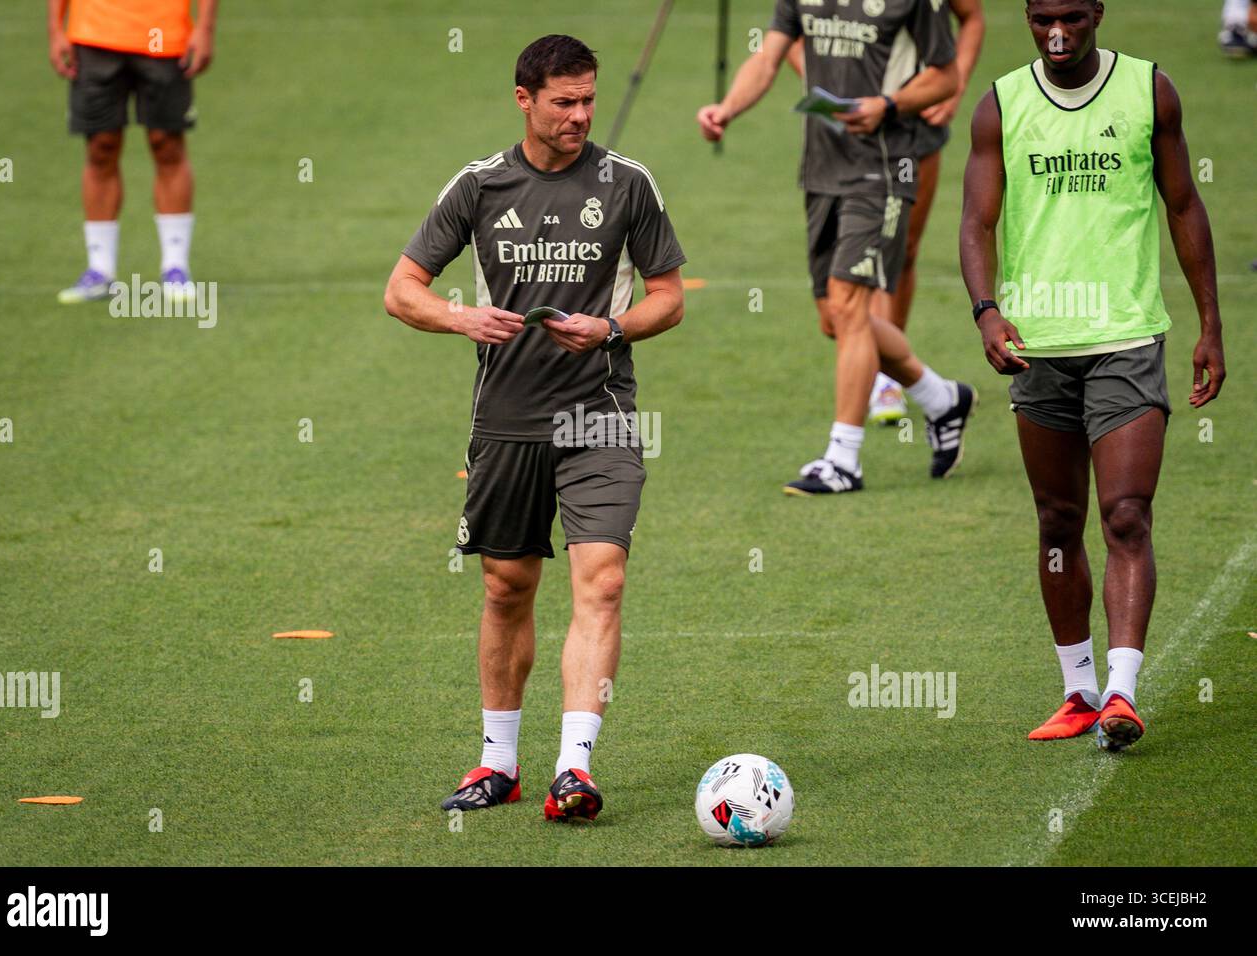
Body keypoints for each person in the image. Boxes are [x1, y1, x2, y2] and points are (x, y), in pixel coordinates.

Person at [384, 35, 685, 820]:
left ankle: (574, 769)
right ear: (524, 98)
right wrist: (459, 317)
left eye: (589, 99)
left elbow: (669, 297)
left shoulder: (628, 185)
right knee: (507, 586)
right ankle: (498, 763)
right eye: (564, 102)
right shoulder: (481, 186)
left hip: (602, 414)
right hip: (506, 419)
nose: (580, 115)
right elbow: (402, 289)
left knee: (604, 580)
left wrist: (612, 330)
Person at [960, 0, 1226, 750]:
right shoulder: (1001, 104)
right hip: (1039, 345)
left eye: (1072, 16)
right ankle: (1076, 689)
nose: (1057, 31)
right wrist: (987, 311)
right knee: (1056, 522)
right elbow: (978, 219)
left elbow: (1183, 203)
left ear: (1097, 12)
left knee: (1125, 515)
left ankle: (1121, 691)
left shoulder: (1149, 90)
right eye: (1042, 16)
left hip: (1127, 337)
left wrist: (1210, 324)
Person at [698, 0, 978, 495]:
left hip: (886, 167)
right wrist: (728, 108)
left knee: (850, 304)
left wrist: (888, 105)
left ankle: (843, 459)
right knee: (836, 318)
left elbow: (946, 76)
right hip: (822, 168)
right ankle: (942, 399)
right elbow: (767, 57)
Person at [49, 0, 215, 303]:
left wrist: (205, 27)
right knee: (101, 146)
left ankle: (175, 267)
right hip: (94, 34)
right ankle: (100, 270)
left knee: (166, 144)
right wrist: (55, 29)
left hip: (165, 34)